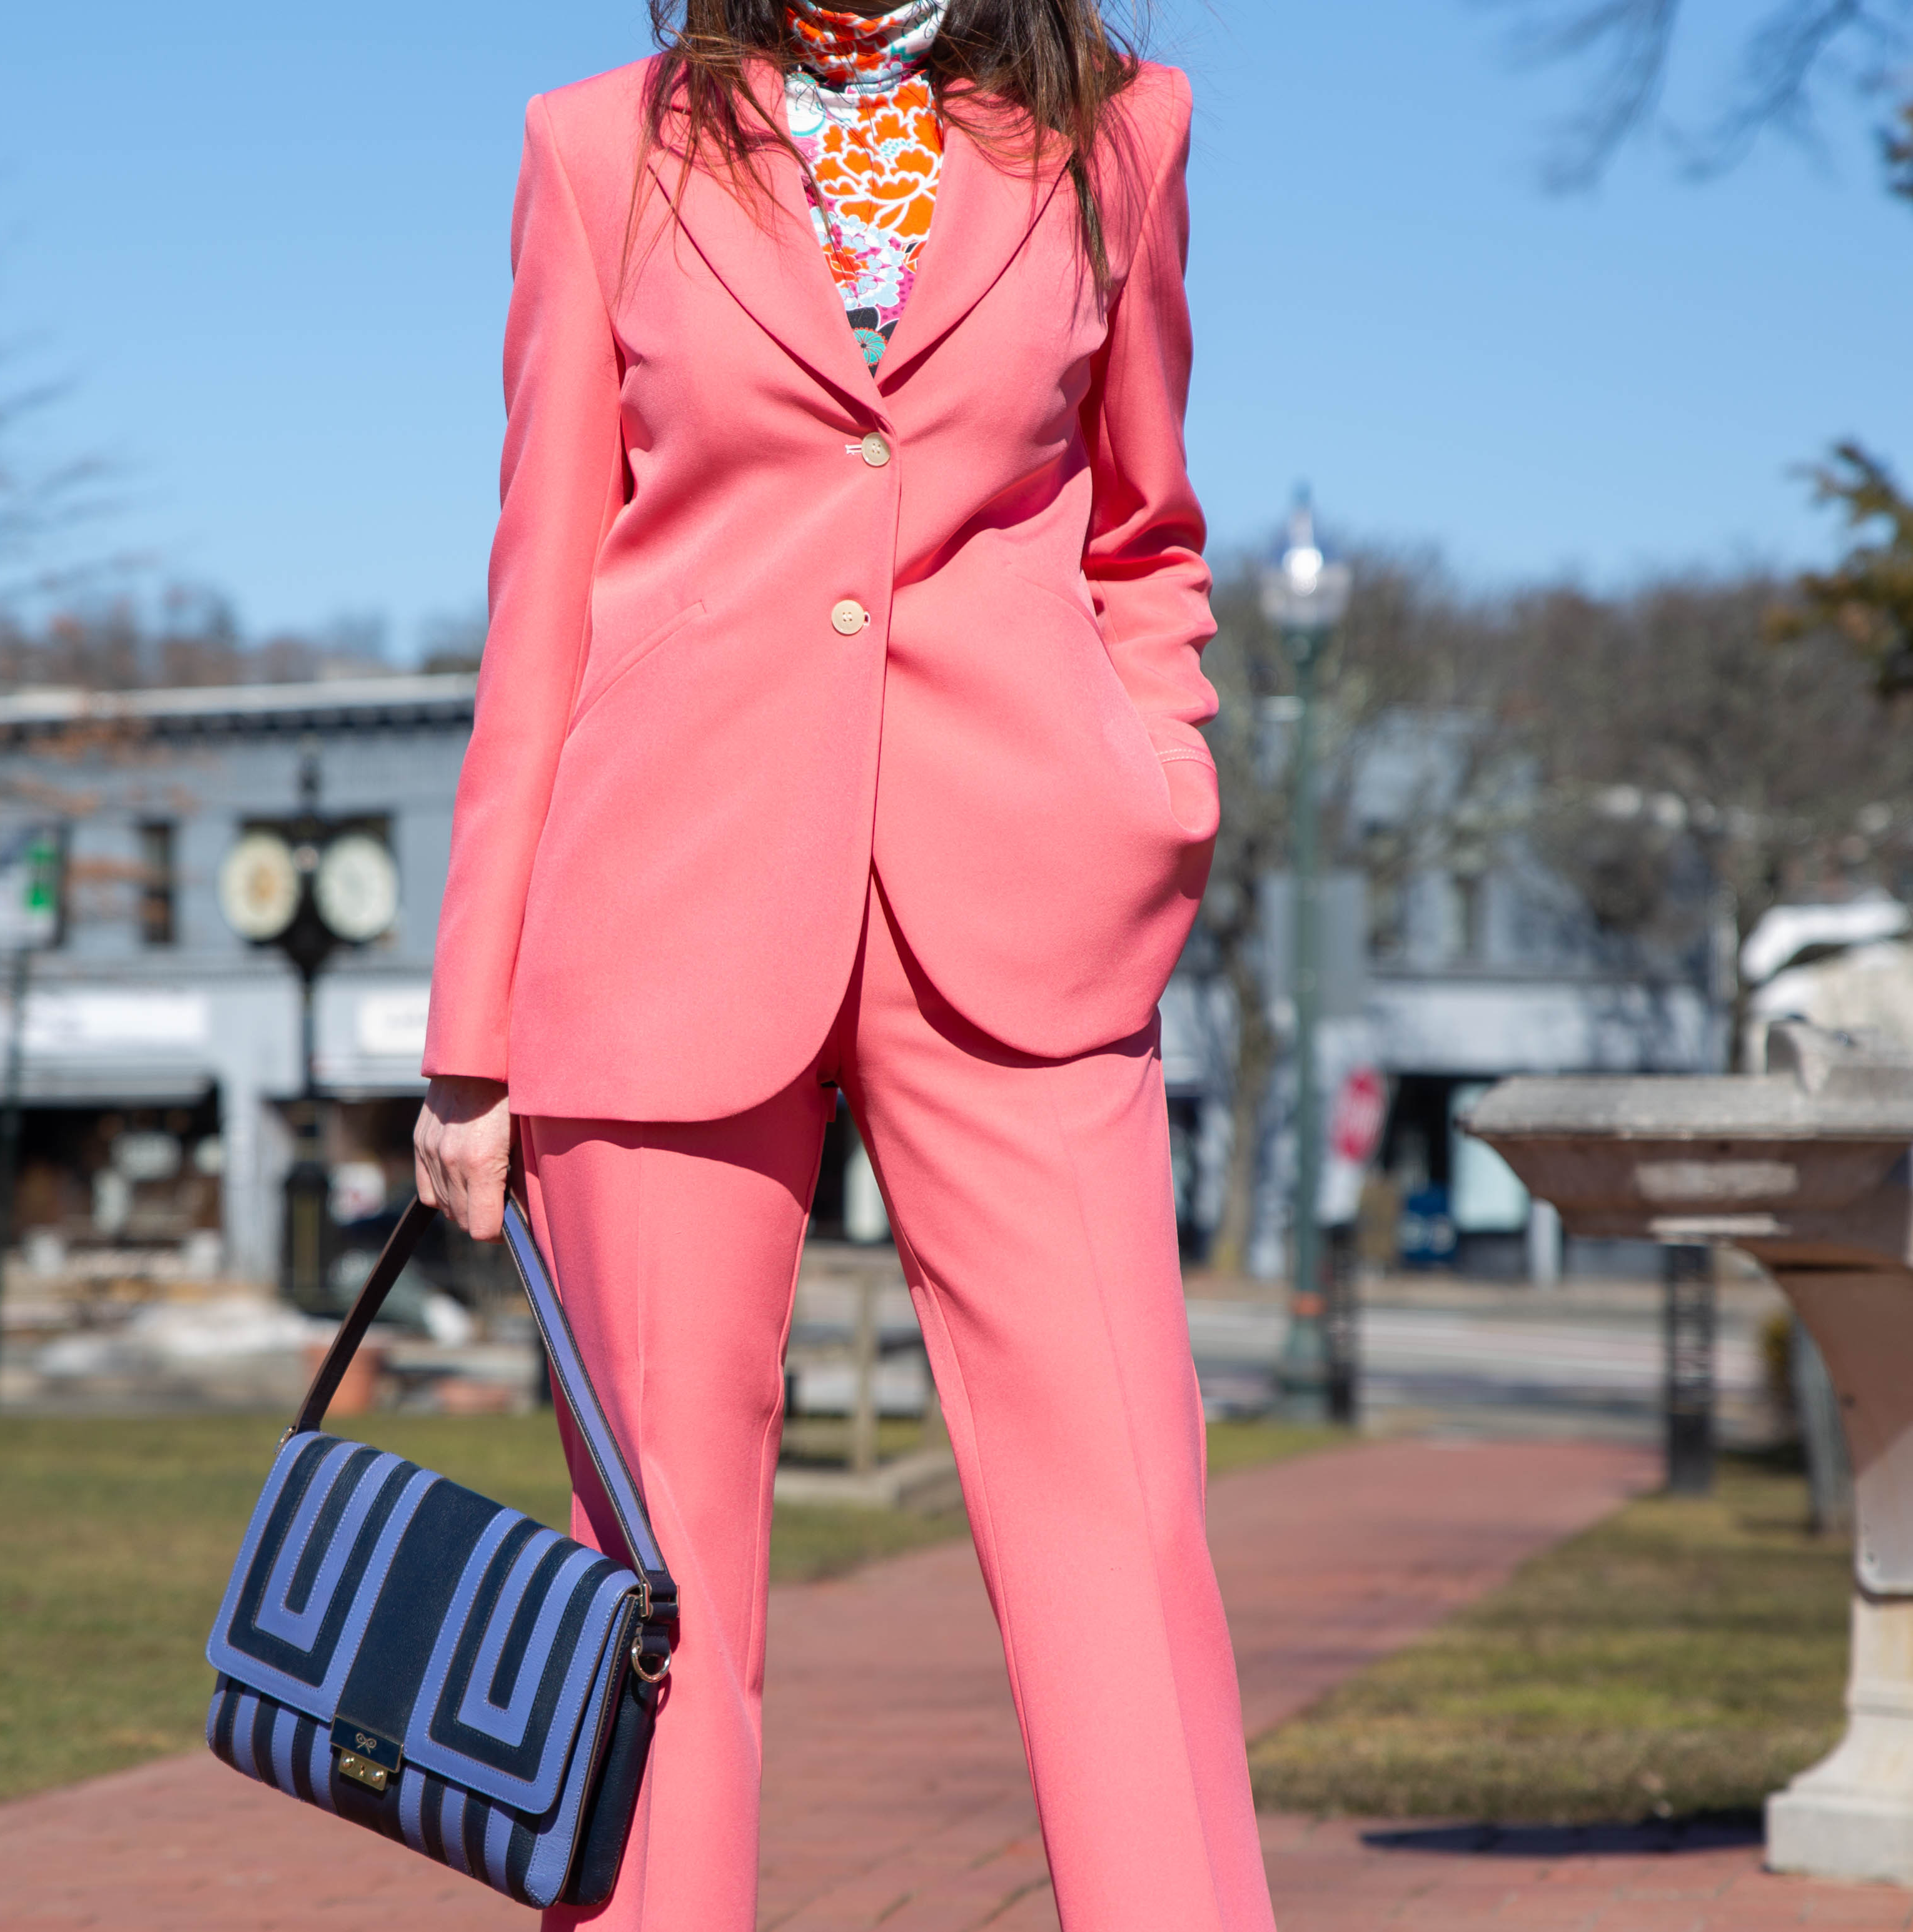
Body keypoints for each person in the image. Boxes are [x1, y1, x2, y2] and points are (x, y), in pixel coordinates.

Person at [413, 1, 1271, 1924]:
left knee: (1121, 1529)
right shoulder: (594, 146)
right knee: (656, 1580)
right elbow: (539, 590)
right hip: (659, 912)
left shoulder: (1122, 128)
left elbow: (1147, 526)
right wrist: (472, 1024)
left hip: (1026, 913)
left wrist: (1158, 786)